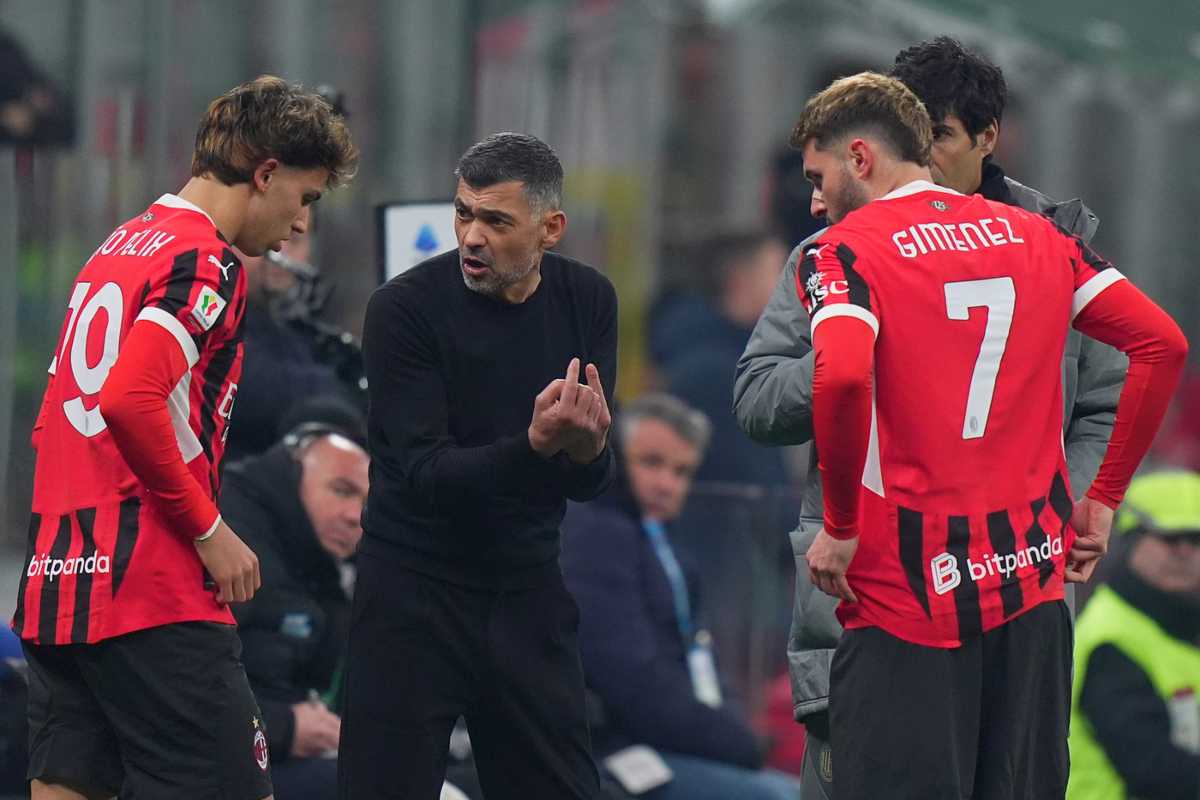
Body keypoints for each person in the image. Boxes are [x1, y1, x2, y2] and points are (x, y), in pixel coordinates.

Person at [731, 36, 1127, 797]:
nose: (920, 157)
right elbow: (755, 399)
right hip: (874, 604)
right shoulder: (835, 254)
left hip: (1014, 600)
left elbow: (1108, 399)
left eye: (938, 136)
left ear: (989, 138)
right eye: (910, 135)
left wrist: (1067, 505)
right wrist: (856, 348)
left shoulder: (1056, 246)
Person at [11, 75, 357, 799]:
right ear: (265, 174)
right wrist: (208, 526)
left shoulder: (120, 244)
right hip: (151, 591)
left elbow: (55, 414)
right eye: (306, 198)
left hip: (57, 581)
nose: (299, 225)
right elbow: (131, 399)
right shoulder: (206, 258)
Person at [339, 132, 618, 800]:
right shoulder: (404, 310)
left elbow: (591, 477)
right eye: (462, 213)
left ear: (551, 229)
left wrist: (583, 448)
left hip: (525, 588)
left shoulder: (588, 300)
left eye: (496, 221)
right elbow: (427, 476)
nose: (470, 237)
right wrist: (537, 444)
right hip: (412, 594)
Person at [562, 393, 801, 800]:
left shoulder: (671, 554)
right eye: (651, 462)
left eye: (682, 471)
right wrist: (736, 743)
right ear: (618, 457)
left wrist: (734, 733)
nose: (666, 484)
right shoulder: (599, 537)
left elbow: (699, 663)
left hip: (678, 745)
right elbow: (634, 684)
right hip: (616, 752)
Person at [222, 418, 368, 799]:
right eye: (341, 490)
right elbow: (179, 682)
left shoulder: (324, 568)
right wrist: (283, 727)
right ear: (296, 477)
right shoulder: (231, 540)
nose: (356, 517)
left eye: (367, 504)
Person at [1068, 471, 1200, 800]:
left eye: (1195, 540)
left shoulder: (1177, 625)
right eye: (1169, 539)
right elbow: (1153, 770)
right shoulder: (1110, 640)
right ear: (1131, 539)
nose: (1184, 553)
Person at [649, 232, 791, 487]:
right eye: (781, 271)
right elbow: (754, 485)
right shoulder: (716, 373)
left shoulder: (743, 357)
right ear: (740, 281)